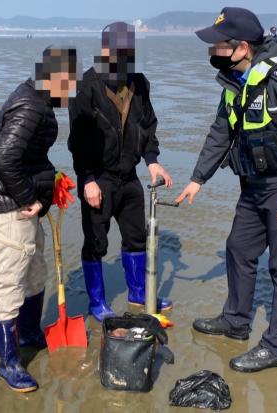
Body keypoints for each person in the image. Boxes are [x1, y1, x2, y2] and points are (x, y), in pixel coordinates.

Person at [176, 7, 277, 372]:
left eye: (218, 46)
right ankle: (236, 321)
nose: (212, 52)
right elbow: (221, 133)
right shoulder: (236, 82)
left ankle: (275, 347)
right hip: (253, 185)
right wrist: (198, 179)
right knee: (238, 249)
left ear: (242, 47)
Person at [0, 47, 78, 392]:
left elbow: (27, 157)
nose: (71, 90)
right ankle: (9, 364)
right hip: (9, 212)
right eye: (69, 83)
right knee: (9, 287)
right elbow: (3, 158)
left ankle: (31, 334)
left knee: (35, 274)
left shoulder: (37, 100)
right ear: (54, 78)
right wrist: (29, 198)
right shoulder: (30, 105)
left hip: (20, 210)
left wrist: (51, 180)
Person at [68, 22, 173, 322]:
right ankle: (97, 302)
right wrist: (87, 179)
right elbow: (77, 139)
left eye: (128, 53)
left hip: (129, 178)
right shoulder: (85, 86)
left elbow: (148, 125)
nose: (123, 59)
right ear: (105, 51)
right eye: (117, 53)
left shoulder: (139, 83)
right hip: (98, 178)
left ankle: (138, 293)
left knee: (136, 238)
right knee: (96, 243)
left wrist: (152, 160)